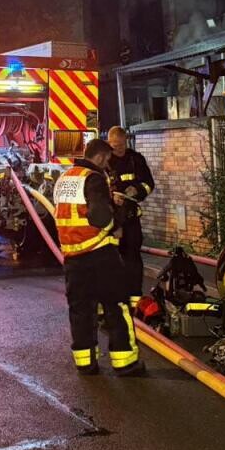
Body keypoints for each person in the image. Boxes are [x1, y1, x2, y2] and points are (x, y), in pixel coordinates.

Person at [53, 138, 144, 377]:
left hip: (72, 257)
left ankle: (86, 363)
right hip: (99, 253)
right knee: (116, 306)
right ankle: (125, 362)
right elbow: (101, 217)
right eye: (107, 161)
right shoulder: (93, 178)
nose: (107, 166)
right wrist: (118, 219)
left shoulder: (65, 178)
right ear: (102, 157)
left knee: (80, 310)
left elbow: (74, 212)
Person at [106, 125, 155, 306]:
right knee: (112, 259)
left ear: (125, 141)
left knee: (133, 258)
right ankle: (115, 299)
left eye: (119, 145)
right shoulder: (105, 161)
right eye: (112, 145)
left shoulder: (136, 160)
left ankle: (134, 298)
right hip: (112, 220)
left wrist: (138, 189)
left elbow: (149, 184)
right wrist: (111, 197)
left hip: (131, 217)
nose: (116, 148)